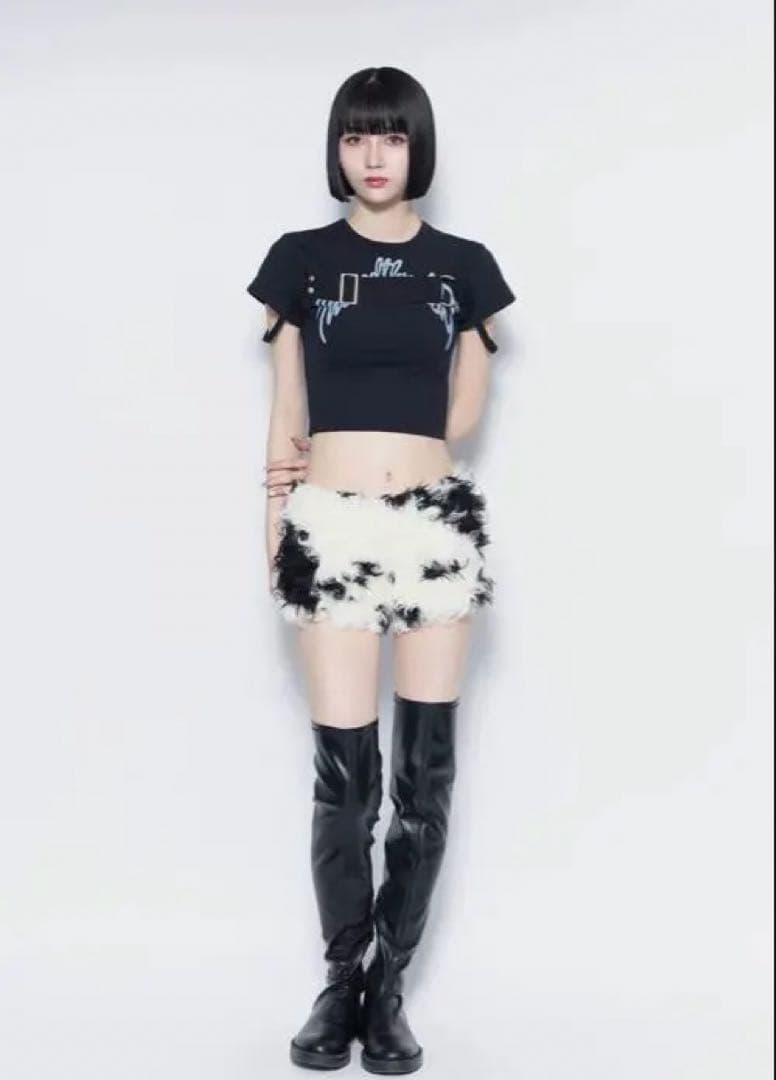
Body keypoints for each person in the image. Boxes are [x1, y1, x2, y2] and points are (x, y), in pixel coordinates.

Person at [246, 66, 516, 1075]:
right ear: (337, 149)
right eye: (356, 136)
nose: (372, 155)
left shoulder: (464, 267)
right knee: (345, 780)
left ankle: (387, 990)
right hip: (329, 524)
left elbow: (461, 415)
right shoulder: (301, 261)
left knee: (424, 778)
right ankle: (339, 981)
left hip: (433, 527)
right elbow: (285, 412)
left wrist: (453, 356)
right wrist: (276, 525)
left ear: (416, 148)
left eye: (391, 137)